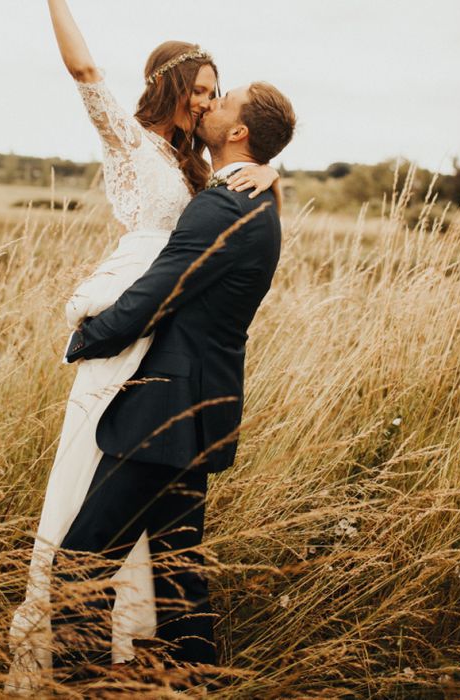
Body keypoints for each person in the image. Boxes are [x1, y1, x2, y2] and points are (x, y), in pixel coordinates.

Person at [5, 0, 280, 692]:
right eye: (201, 90)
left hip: (157, 357)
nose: (208, 102)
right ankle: (111, 668)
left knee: (164, 557)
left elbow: (220, 217)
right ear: (171, 84)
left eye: (219, 95)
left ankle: (112, 671)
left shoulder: (209, 178)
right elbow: (85, 67)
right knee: (142, 533)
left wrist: (272, 173)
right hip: (139, 347)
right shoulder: (134, 143)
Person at [50, 80, 296, 685]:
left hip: (164, 410)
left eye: (223, 100)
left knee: (77, 566)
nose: (209, 104)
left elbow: (157, 293)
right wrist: (273, 172)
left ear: (239, 132)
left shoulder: (222, 205)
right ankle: (196, 682)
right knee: (179, 568)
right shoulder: (258, 201)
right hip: (205, 410)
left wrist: (89, 337)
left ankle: (80, 687)